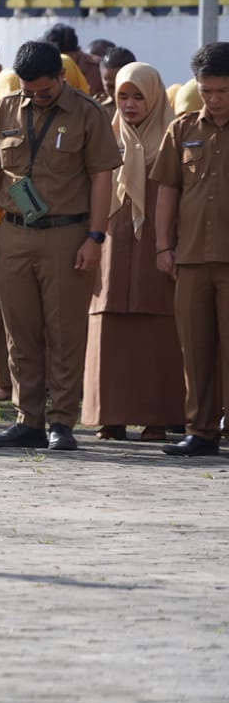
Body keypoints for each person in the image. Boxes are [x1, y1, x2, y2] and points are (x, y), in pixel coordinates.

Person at [0, 39, 122, 451]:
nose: (36, 97)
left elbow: (101, 179)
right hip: (14, 232)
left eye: (45, 90)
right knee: (20, 332)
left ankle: (61, 422)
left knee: (64, 332)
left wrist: (95, 237)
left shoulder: (87, 114)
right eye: (29, 90)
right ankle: (28, 420)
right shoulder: (4, 109)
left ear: (61, 76)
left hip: (66, 234)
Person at [81, 62, 183, 440]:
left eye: (139, 96)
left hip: (156, 248)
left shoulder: (173, 137)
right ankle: (111, 416)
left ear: (154, 97)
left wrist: (168, 245)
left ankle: (157, 418)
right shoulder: (106, 139)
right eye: (123, 96)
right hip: (111, 248)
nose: (130, 104)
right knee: (109, 327)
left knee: (157, 330)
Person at [152, 42, 229, 456]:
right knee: (195, 349)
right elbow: (167, 190)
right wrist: (164, 246)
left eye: (222, 90)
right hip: (192, 259)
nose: (213, 99)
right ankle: (200, 431)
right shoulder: (182, 129)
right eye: (206, 91)